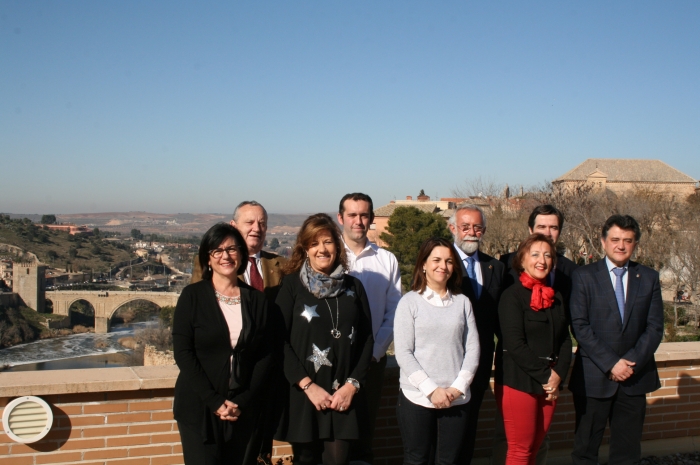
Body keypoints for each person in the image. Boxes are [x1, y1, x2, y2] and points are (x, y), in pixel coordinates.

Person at [274, 213, 374, 465]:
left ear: (337, 246)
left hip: (343, 396)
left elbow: (366, 340)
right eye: (314, 243)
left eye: (328, 242)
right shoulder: (290, 287)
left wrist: (352, 385)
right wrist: (308, 385)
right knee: (305, 460)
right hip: (305, 396)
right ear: (305, 248)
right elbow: (277, 341)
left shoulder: (354, 287)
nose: (322, 249)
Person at [173, 223, 274, 465]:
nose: (225, 256)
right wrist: (215, 402)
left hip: (243, 410)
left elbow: (265, 355)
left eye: (231, 249)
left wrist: (242, 401)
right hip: (199, 408)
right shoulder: (192, 296)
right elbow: (183, 353)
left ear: (241, 254)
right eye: (217, 251)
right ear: (207, 258)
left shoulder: (257, 301)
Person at [569, 215, 663, 465]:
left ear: (635, 244)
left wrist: (629, 362)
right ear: (603, 241)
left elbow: (654, 327)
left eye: (628, 240)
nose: (621, 246)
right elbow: (579, 325)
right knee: (585, 450)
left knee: (627, 452)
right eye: (615, 239)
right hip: (594, 376)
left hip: (634, 377)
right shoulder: (583, 276)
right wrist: (612, 363)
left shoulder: (649, 277)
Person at [494, 204, 578, 465]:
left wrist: (558, 376)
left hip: (550, 383)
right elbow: (513, 342)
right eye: (535, 255)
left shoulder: (556, 296)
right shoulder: (511, 295)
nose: (541, 260)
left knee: (536, 446)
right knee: (519, 449)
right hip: (520, 379)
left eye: (547, 256)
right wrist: (547, 376)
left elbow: (565, 337)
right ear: (522, 259)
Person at [394, 237, 480, 465]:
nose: (443, 266)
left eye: (449, 261)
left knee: (448, 460)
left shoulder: (463, 303)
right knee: (416, 459)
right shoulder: (409, 302)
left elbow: (472, 350)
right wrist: (432, 390)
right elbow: (403, 353)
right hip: (417, 397)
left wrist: (456, 388)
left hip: (456, 398)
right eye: (437, 260)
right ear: (423, 264)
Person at [337, 192, 402, 464]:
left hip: (372, 361)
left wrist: (375, 352)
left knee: (364, 434)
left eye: (364, 215)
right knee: (333, 436)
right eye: (352, 215)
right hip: (332, 359)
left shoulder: (387, 260)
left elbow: (395, 310)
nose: (358, 221)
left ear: (372, 219)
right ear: (340, 218)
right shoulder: (327, 255)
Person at [447, 203, 505, 464]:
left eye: (477, 227)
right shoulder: (441, 263)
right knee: (445, 430)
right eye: (465, 226)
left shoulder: (496, 268)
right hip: (446, 360)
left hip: (479, 364)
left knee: (470, 425)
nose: (471, 232)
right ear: (453, 228)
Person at [191, 201, 286, 299]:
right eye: (250, 222)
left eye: (262, 223)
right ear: (233, 226)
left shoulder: (283, 265)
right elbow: (197, 301)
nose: (257, 228)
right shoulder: (212, 261)